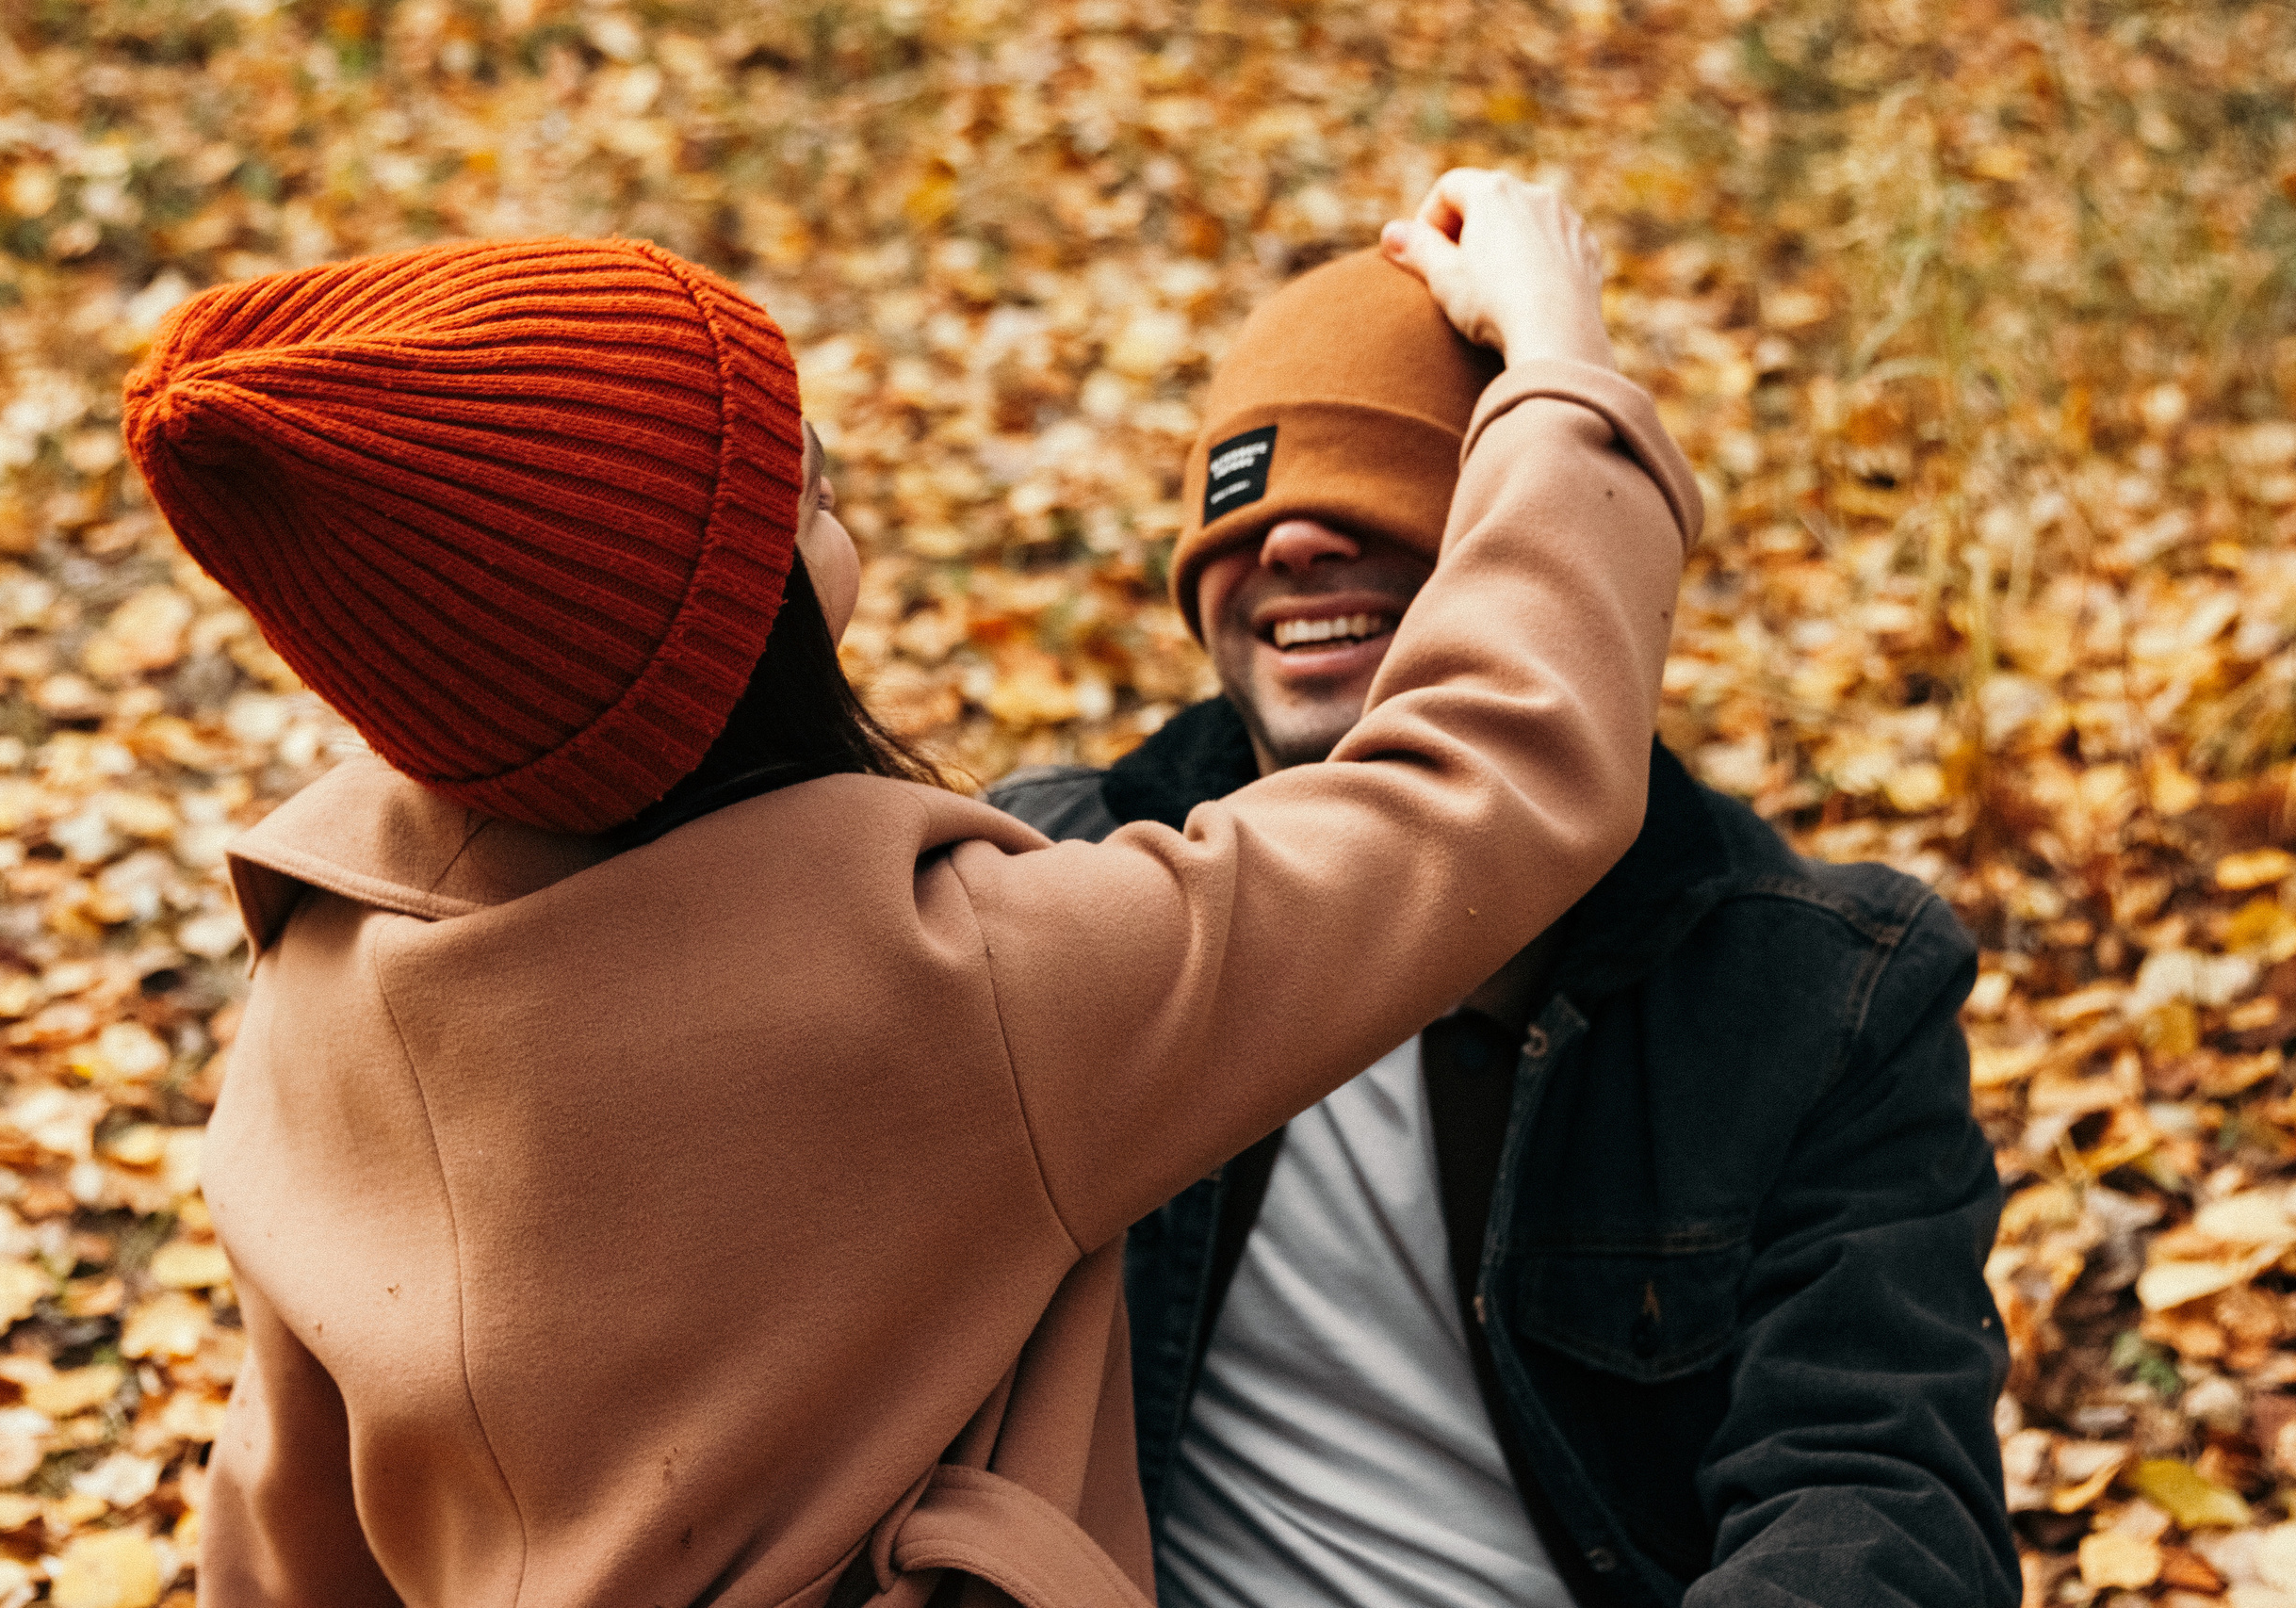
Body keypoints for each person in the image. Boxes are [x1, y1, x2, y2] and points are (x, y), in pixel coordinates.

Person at [120, 173, 1697, 1606]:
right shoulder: (954, 995)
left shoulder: (315, 997)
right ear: (718, 630)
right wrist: (1561, 365)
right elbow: (1485, 787)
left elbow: (283, 1538)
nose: (817, 452)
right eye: (776, 472)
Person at [990, 248, 2019, 1608]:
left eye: (1378, 494)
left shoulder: (1817, 997)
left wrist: (1558, 352)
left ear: (1535, 564)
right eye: (1246, 511)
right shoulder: (1053, 894)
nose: (1294, 543)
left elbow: (1879, 1498)